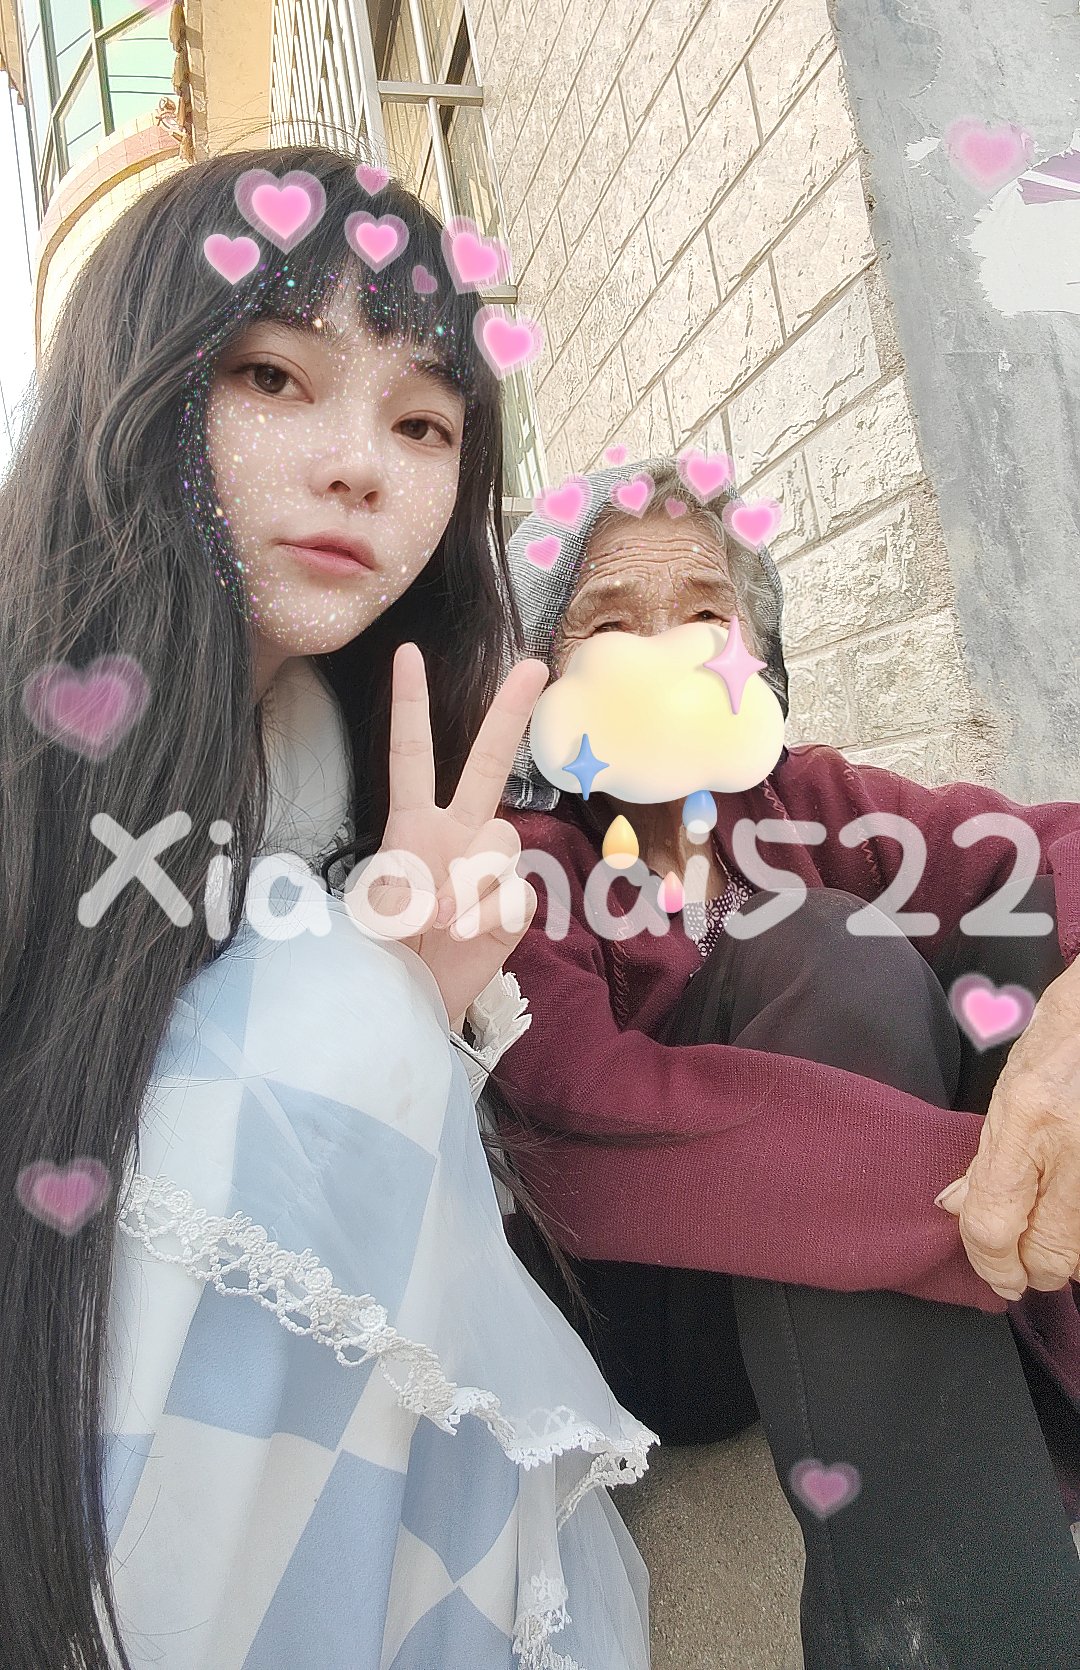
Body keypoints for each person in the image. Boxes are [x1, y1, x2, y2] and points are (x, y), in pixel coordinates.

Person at [0, 145, 656, 1670]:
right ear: (133, 383)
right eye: (274, 377)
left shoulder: (364, 756)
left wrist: (428, 994)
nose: (361, 464)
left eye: (422, 421)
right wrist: (369, 994)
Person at [491, 450, 1080, 1669]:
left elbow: (1036, 856)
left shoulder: (811, 801)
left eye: (705, 613)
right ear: (544, 670)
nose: (665, 655)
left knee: (1022, 940)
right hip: (660, 1304)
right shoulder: (531, 860)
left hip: (886, 1242)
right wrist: (976, 1189)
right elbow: (583, 1131)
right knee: (825, 944)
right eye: (610, 621)